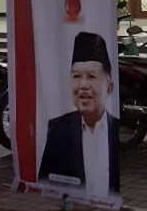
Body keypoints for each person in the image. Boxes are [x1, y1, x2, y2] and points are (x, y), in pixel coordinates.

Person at [38, 31, 120, 195]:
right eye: (77, 76)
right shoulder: (58, 129)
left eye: (91, 76)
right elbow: (46, 182)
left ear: (109, 87)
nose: (83, 85)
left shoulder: (117, 129)